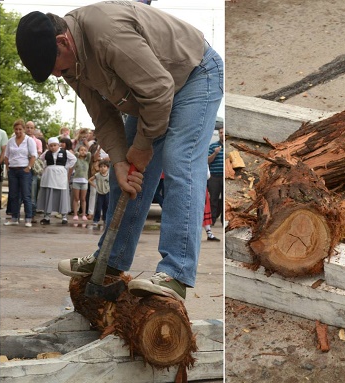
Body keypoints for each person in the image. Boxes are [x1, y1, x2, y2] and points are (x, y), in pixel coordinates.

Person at [17, 1, 223, 302]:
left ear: (63, 41)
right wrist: (119, 161)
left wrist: (142, 146)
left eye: (54, 66)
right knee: (122, 172)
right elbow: (102, 116)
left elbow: (159, 90)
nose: (58, 76)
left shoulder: (106, 33)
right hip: (153, 94)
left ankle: (176, 273)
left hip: (195, 75)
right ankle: (112, 260)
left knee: (180, 161)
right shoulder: (70, 61)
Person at [3, 120, 37, 227]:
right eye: (16, 129)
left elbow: (33, 155)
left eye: (20, 129)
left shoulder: (29, 140)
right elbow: (6, 156)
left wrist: (28, 167)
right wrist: (8, 169)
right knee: (13, 195)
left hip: (24, 170)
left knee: (26, 195)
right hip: (13, 170)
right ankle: (14, 218)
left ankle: (28, 218)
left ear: (23, 130)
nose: (18, 131)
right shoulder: (10, 141)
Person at [37, 137, 75, 225]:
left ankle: (64, 216)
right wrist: (44, 167)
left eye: (55, 145)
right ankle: (47, 216)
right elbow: (40, 159)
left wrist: (66, 166)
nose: (53, 147)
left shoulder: (65, 152)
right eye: (51, 146)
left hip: (60, 176)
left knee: (62, 194)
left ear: (58, 145)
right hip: (49, 176)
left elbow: (73, 159)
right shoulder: (47, 153)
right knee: (49, 194)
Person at [208, 123, 224, 226]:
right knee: (213, 199)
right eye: (220, 132)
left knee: (223, 200)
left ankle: (223, 221)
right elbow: (207, 161)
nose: (222, 134)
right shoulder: (213, 146)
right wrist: (215, 153)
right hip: (214, 177)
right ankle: (212, 220)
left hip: (224, 176)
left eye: (223, 132)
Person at [89, 160, 111, 227]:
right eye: (101, 166)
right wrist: (95, 186)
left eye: (104, 166)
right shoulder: (97, 175)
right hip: (100, 194)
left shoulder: (109, 176)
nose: (102, 168)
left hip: (107, 193)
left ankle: (105, 219)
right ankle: (96, 220)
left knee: (106, 207)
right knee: (98, 207)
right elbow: (89, 180)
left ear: (107, 168)